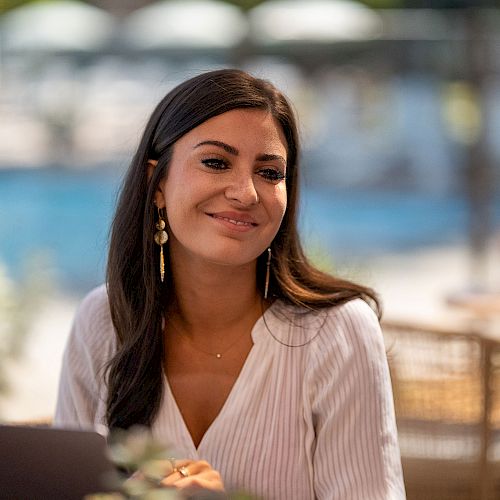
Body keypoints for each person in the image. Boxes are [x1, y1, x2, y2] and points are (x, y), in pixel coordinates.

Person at [55, 68, 405, 499]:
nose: (246, 192)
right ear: (156, 183)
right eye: (216, 162)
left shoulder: (337, 334)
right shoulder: (103, 320)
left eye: (270, 172)